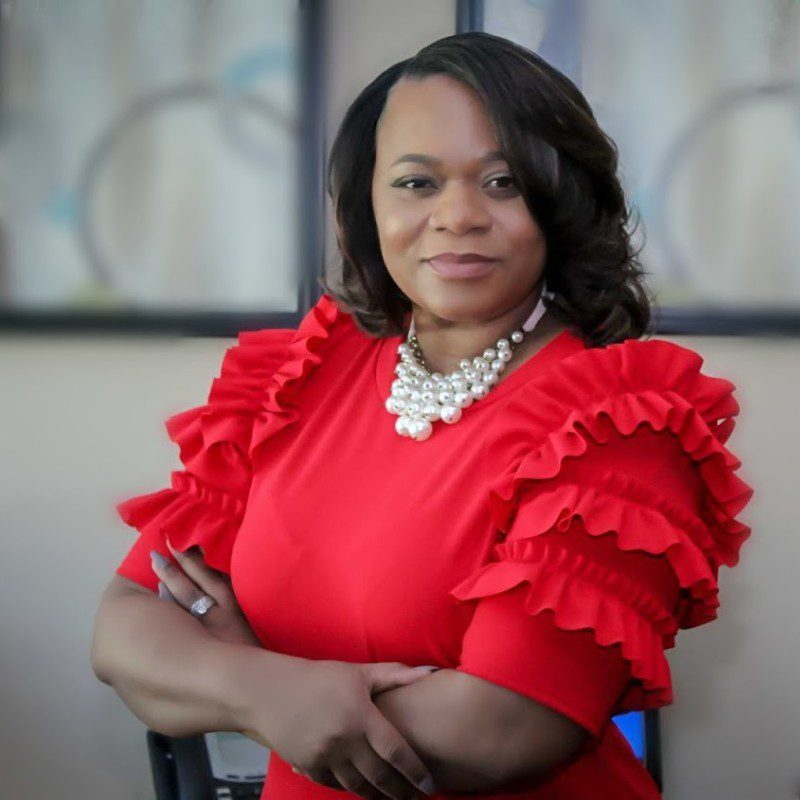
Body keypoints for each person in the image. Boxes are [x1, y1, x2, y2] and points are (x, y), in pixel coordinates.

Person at [91, 31, 755, 800]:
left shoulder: (619, 421)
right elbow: (127, 626)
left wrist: (240, 680)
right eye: (416, 182)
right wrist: (268, 691)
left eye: (503, 182)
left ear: (561, 200)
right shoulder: (301, 374)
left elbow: (500, 732)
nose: (459, 215)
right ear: (366, 204)